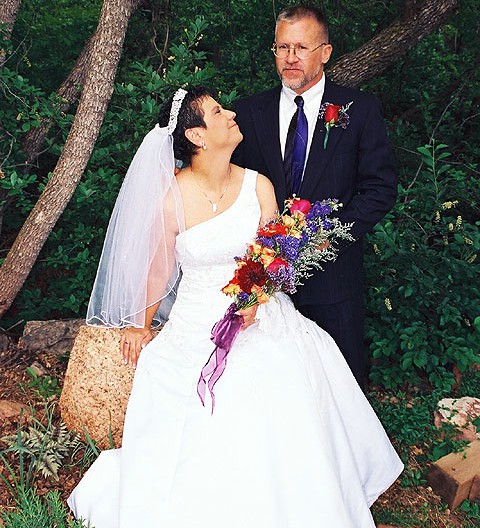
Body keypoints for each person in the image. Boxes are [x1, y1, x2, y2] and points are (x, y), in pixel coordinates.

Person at [67, 86, 403, 528]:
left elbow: (274, 255)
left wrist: (258, 299)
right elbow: (157, 270)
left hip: (261, 314)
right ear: (197, 136)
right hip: (195, 321)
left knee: (280, 374)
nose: (230, 114)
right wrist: (138, 325)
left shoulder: (258, 185)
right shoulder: (171, 199)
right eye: (217, 112)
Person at [232, 6, 398, 388]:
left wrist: (328, 237)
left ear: (325, 52)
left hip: (333, 279)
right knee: (273, 390)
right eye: (283, 47)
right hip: (263, 285)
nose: (291, 58)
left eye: (301, 47)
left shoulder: (359, 110)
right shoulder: (246, 112)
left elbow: (379, 189)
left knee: (340, 387)